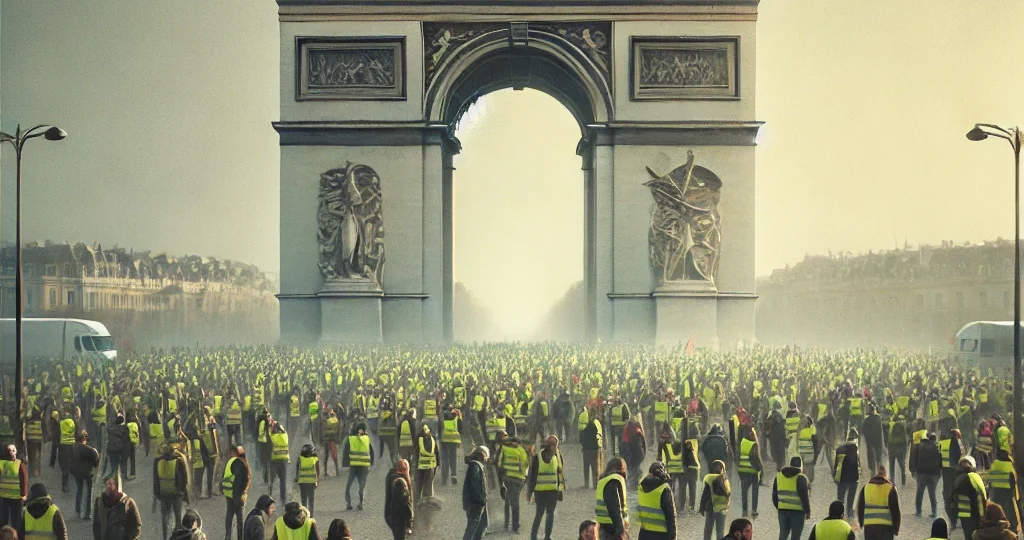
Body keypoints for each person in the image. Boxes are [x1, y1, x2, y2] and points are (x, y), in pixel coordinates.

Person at [526, 435, 564, 540]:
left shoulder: (539, 457)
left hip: (545, 491)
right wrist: (529, 493)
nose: (556, 448)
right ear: (551, 446)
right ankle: (543, 536)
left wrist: (560, 489)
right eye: (555, 445)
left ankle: (537, 536)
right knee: (545, 514)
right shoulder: (555, 457)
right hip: (548, 491)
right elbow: (532, 476)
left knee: (543, 514)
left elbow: (559, 474)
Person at [154, 442, 191, 539]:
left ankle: (164, 536)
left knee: (164, 517)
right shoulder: (178, 461)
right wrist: (183, 492)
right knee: (178, 519)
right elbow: (185, 479)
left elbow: (155, 479)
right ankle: (178, 536)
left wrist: (157, 494)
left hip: (163, 494)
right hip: (176, 494)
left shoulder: (158, 461)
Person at [856, 465, 901, 540]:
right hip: (886, 527)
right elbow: (895, 510)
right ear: (885, 475)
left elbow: (860, 507)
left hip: (869, 526)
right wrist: (896, 529)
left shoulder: (866, 487)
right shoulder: (890, 488)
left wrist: (861, 523)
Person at [496, 433, 528, 534]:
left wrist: (501, 476)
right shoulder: (521, 450)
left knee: (508, 500)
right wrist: (524, 478)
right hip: (518, 479)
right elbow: (525, 465)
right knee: (515, 503)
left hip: (507, 478)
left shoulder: (504, 448)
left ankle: (506, 523)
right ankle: (515, 526)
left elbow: (499, 463)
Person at [92, 475, 142, 540]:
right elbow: (96, 525)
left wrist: (130, 538)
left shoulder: (128, 502)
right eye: (107, 483)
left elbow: (136, 526)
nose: (109, 486)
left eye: (112, 483)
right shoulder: (99, 502)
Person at [773, 456, 811, 540]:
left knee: (783, 536)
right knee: (795, 537)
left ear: (790, 464)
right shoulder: (801, 477)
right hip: (797, 512)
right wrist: (807, 511)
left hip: (782, 511)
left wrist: (779, 506)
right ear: (800, 466)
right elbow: (804, 497)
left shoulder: (779, 476)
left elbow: (774, 495)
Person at [638, 461, 677, 539]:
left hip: (644, 533)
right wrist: (673, 535)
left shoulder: (640, 487)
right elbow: (670, 514)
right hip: (662, 534)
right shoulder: (664, 488)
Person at [951, 456, 988, 540]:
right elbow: (980, 497)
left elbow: (952, 498)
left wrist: (953, 517)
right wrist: (982, 515)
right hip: (974, 514)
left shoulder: (957, 478)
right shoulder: (974, 477)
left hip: (963, 514)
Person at [986, 449, 1020, 533]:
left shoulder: (994, 464)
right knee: (1010, 510)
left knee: (998, 511)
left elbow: (989, 479)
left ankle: (999, 527)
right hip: (1006, 491)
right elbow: (1013, 480)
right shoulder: (1010, 465)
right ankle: (1012, 528)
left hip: (995, 492)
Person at [342, 423, 374, 511]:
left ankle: (350, 503)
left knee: (351, 485)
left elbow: (346, 451)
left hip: (355, 466)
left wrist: (345, 465)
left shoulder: (351, 439)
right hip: (363, 467)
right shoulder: (366, 439)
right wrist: (371, 464)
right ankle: (360, 503)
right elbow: (371, 452)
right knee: (361, 486)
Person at [223, 445, 252, 540]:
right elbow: (239, 481)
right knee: (240, 518)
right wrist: (240, 495)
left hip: (228, 492)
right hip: (236, 494)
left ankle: (228, 536)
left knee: (230, 514)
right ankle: (240, 537)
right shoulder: (240, 463)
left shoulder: (230, 462)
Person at [596, 457, 629, 540]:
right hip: (612, 527)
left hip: (604, 525)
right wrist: (620, 529)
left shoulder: (604, 480)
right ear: (622, 468)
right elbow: (614, 507)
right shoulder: (613, 480)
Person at [833, 429, 861, 527]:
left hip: (841, 477)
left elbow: (836, 464)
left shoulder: (840, 448)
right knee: (851, 497)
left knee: (840, 497)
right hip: (853, 477)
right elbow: (858, 464)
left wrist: (834, 476)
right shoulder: (856, 449)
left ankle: (838, 514)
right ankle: (849, 513)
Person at [71, 429, 100, 519]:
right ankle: (88, 513)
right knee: (89, 491)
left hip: (77, 472)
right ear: (84, 439)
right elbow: (96, 461)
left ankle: (78, 511)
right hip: (88, 472)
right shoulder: (90, 450)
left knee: (79, 489)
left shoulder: (73, 448)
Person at [914, 432, 943, 518]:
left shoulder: (920, 445)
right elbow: (940, 460)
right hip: (933, 473)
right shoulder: (937, 447)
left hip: (922, 472)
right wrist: (939, 472)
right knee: (932, 493)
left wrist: (915, 470)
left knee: (920, 492)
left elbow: (915, 458)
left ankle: (918, 511)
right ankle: (934, 511)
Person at [463, 446, 490, 540]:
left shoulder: (475, 465)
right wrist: (481, 499)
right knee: (472, 528)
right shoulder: (476, 466)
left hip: (476, 502)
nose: (487, 459)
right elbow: (474, 485)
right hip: (476, 503)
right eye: (487, 457)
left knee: (482, 525)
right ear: (483, 455)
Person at [700, 459, 731, 540]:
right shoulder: (725, 479)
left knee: (708, 530)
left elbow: (705, 494)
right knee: (720, 531)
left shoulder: (709, 478)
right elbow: (728, 494)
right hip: (721, 509)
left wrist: (702, 508)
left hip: (711, 507)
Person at [384, 459, 413, 540]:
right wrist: (409, 519)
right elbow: (402, 504)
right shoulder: (400, 482)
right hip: (399, 519)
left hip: (391, 516)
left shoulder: (391, 477)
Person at [737, 428, 763, 519]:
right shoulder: (753, 444)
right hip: (753, 471)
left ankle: (744, 511)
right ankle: (754, 510)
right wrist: (760, 467)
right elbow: (755, 457)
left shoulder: (742, 442)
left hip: (743, 470)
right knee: (755, 491)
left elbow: (738, 455)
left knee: (744, 491)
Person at [0, 444, 27, 530]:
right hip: (16, 497)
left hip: (3, 497)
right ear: (14, 452)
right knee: (16, 520)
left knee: (3, 520)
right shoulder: (19, 464)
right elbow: (24, 480)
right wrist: (24, 494)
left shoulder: (1, 464)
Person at [581, 407, 604, 489]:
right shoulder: (598, 423)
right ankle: (597, 484)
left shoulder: (591, 424)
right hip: (598, 447)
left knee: (588, 467)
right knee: (597, 467)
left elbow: (586, 436)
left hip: (590, 448)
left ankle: (588, 485)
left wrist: (583, 445)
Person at [441, 407, 464, 485]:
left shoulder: (444, 418)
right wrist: (459, 441)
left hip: (445, 440)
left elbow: (441, 428)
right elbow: (461, 430)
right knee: (453, 458)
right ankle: (453, 475)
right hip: (454, 441)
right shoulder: (457, 419)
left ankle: (444, 480)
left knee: (445, 460)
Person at [415, 425, 439, 501]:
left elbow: (416, 452)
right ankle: (428, 500)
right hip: (431, 465)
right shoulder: (433, 438)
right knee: (429, 483)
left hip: (421, 465)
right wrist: (438, 463)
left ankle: (417, 499)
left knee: (419, 483)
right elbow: (436, 452)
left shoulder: (418, 438)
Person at [268, 423, 290, 505]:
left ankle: (270, 496)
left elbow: (269, 434)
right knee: (283, 480)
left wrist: (271, 427)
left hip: (275, 461)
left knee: (272, 479)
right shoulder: (285, 436)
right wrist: (280, 427)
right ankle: (283, 498)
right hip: (284, 461)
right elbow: (284, 431)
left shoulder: (273, 437)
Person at [295, 443, 319, 516]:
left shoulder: (300, 459)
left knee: (303, 499)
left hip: (302, 482)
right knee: (311, 499)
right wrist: (317, 480)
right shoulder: (315, 459)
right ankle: (311, 514)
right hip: (311, 482)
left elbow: (297, 470)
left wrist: (296, 478)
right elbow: (318, 471)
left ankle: (305, 514)